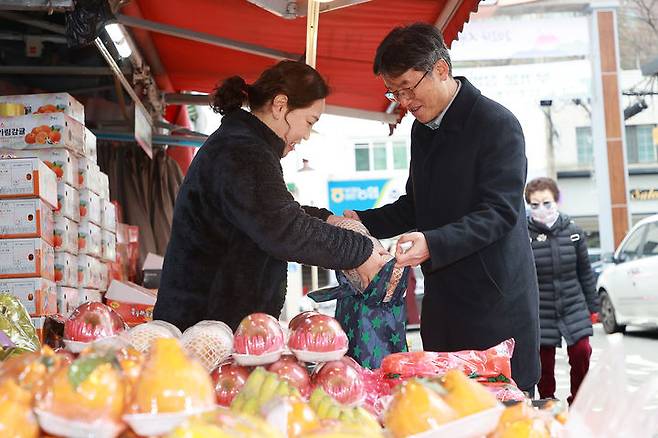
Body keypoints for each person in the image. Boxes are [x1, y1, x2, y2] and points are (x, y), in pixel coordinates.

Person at [333, 23, 540, 393]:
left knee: (501, 413)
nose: (404, 102)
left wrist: (433, 242)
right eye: (394, 92)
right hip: (444, 304)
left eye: (408, 88)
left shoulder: (496, 124)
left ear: (441, 69)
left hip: (493, 305)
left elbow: (500, 211)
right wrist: (362, 221)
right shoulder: (422, 129)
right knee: (446, 410)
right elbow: (417, 205)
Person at [153, 60, 388, 331]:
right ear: (280, 105)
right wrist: (362, 251)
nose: (306, 135)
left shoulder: (243, 143)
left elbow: (270, 212)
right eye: (309, 122)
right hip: (203, 330)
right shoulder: (242, 150)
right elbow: (285, 230)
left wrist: (328, 219)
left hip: (216, 325)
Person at [525, 177, 599, 404]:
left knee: (581, 351)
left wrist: (593, 307)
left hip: (573, 303)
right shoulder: (524, 235)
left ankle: (578, 400)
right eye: (534, 204)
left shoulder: (574, 232)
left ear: (557, 200)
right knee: (543, 361)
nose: (541, 209)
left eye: (546, 203)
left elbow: (585, 273)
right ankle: (547, 401)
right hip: (541, 308)